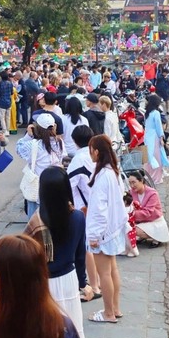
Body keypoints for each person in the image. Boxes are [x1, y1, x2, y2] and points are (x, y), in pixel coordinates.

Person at [24, 167, 89, 338]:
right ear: (66, 189)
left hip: (42, 284)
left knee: (45, 335)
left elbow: (25, 256)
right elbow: (79, 255)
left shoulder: (36, 221)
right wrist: (82, 283)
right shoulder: (77, 217)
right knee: (74, 331)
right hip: (69, 281)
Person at [86, 134, 127, 324]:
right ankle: (115, 308)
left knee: (104, 273)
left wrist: (94, 235)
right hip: (113, 229)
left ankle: (108, 313)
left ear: (96, 151)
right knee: (112, 270)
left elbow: (98, 210)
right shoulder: (113, 172)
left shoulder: (103, 176)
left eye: (91, 150)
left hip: (103, 232)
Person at [67, 125, 102, 301]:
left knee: (87, 247)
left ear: (74, 141)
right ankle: (100, 281)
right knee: (97, 246)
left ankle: (94, 286)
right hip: (98, 206)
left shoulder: (78, 159)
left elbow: (68, 185)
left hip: (83, 208)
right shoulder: (95, 156)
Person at [16, 113, 66, 219]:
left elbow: (19, 148)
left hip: (37, 188)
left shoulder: (34, 145)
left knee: (35, 222)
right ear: (54, 127)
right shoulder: (59, 142)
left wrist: (28, 135)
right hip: (55, 186)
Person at [126, 171, 169, 248]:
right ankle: (144, 235)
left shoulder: (152, 194)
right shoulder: (131, 193)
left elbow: (147, 212)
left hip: (154, 221)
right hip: (141, 220)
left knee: (133, 229)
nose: (132, 185)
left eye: (134, 182)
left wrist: (130, 213)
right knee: (126, 226)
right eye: (130, 183)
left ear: (141, 181)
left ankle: (156, 237)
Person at [143, 94, 169, 185]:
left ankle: (149, 175)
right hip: (154, 136)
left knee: (149, 156)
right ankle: (156, 177)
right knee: (157, 156)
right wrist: (162, 138)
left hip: (147, 136)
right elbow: (159, 127)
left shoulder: (147, 113)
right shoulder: (156, 113)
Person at [0, 70, 13, 134]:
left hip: (2, 102)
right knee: (8, 117)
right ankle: (8, 130)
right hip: (9, 101)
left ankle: (4, 130)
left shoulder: (0, 84)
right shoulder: (10, 83)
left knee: (2, 117)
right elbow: (11, 92)